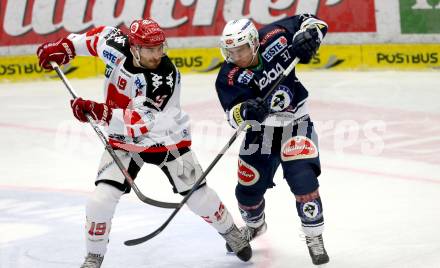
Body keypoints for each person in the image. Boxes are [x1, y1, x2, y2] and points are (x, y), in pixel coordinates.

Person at [37, 18, 251, 267]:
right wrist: (65, 48)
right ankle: (94, 255)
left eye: (160, 47)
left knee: (198, 197)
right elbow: (91, 39)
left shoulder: (163, 78)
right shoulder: (115, 44)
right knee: (100, 199)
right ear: (134, 47)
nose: (157, 54)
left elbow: (142, 122)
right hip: (124, 142)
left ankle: (230, 232)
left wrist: (100, 112)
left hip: (167, 138)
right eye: (150, 49)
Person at [215, 14, 330, 265]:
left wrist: (307, 38)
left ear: (254, 43)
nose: (236, 56)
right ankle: (255, 226)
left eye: (241, 49)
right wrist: (245, 111)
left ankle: (314, 235)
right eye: (230, 51)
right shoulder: (228, 76)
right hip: (260, 133)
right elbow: (232, 116)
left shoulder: (275, 35)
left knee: (304, 182)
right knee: (247, 192)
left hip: (295, 124)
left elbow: (314, 21)